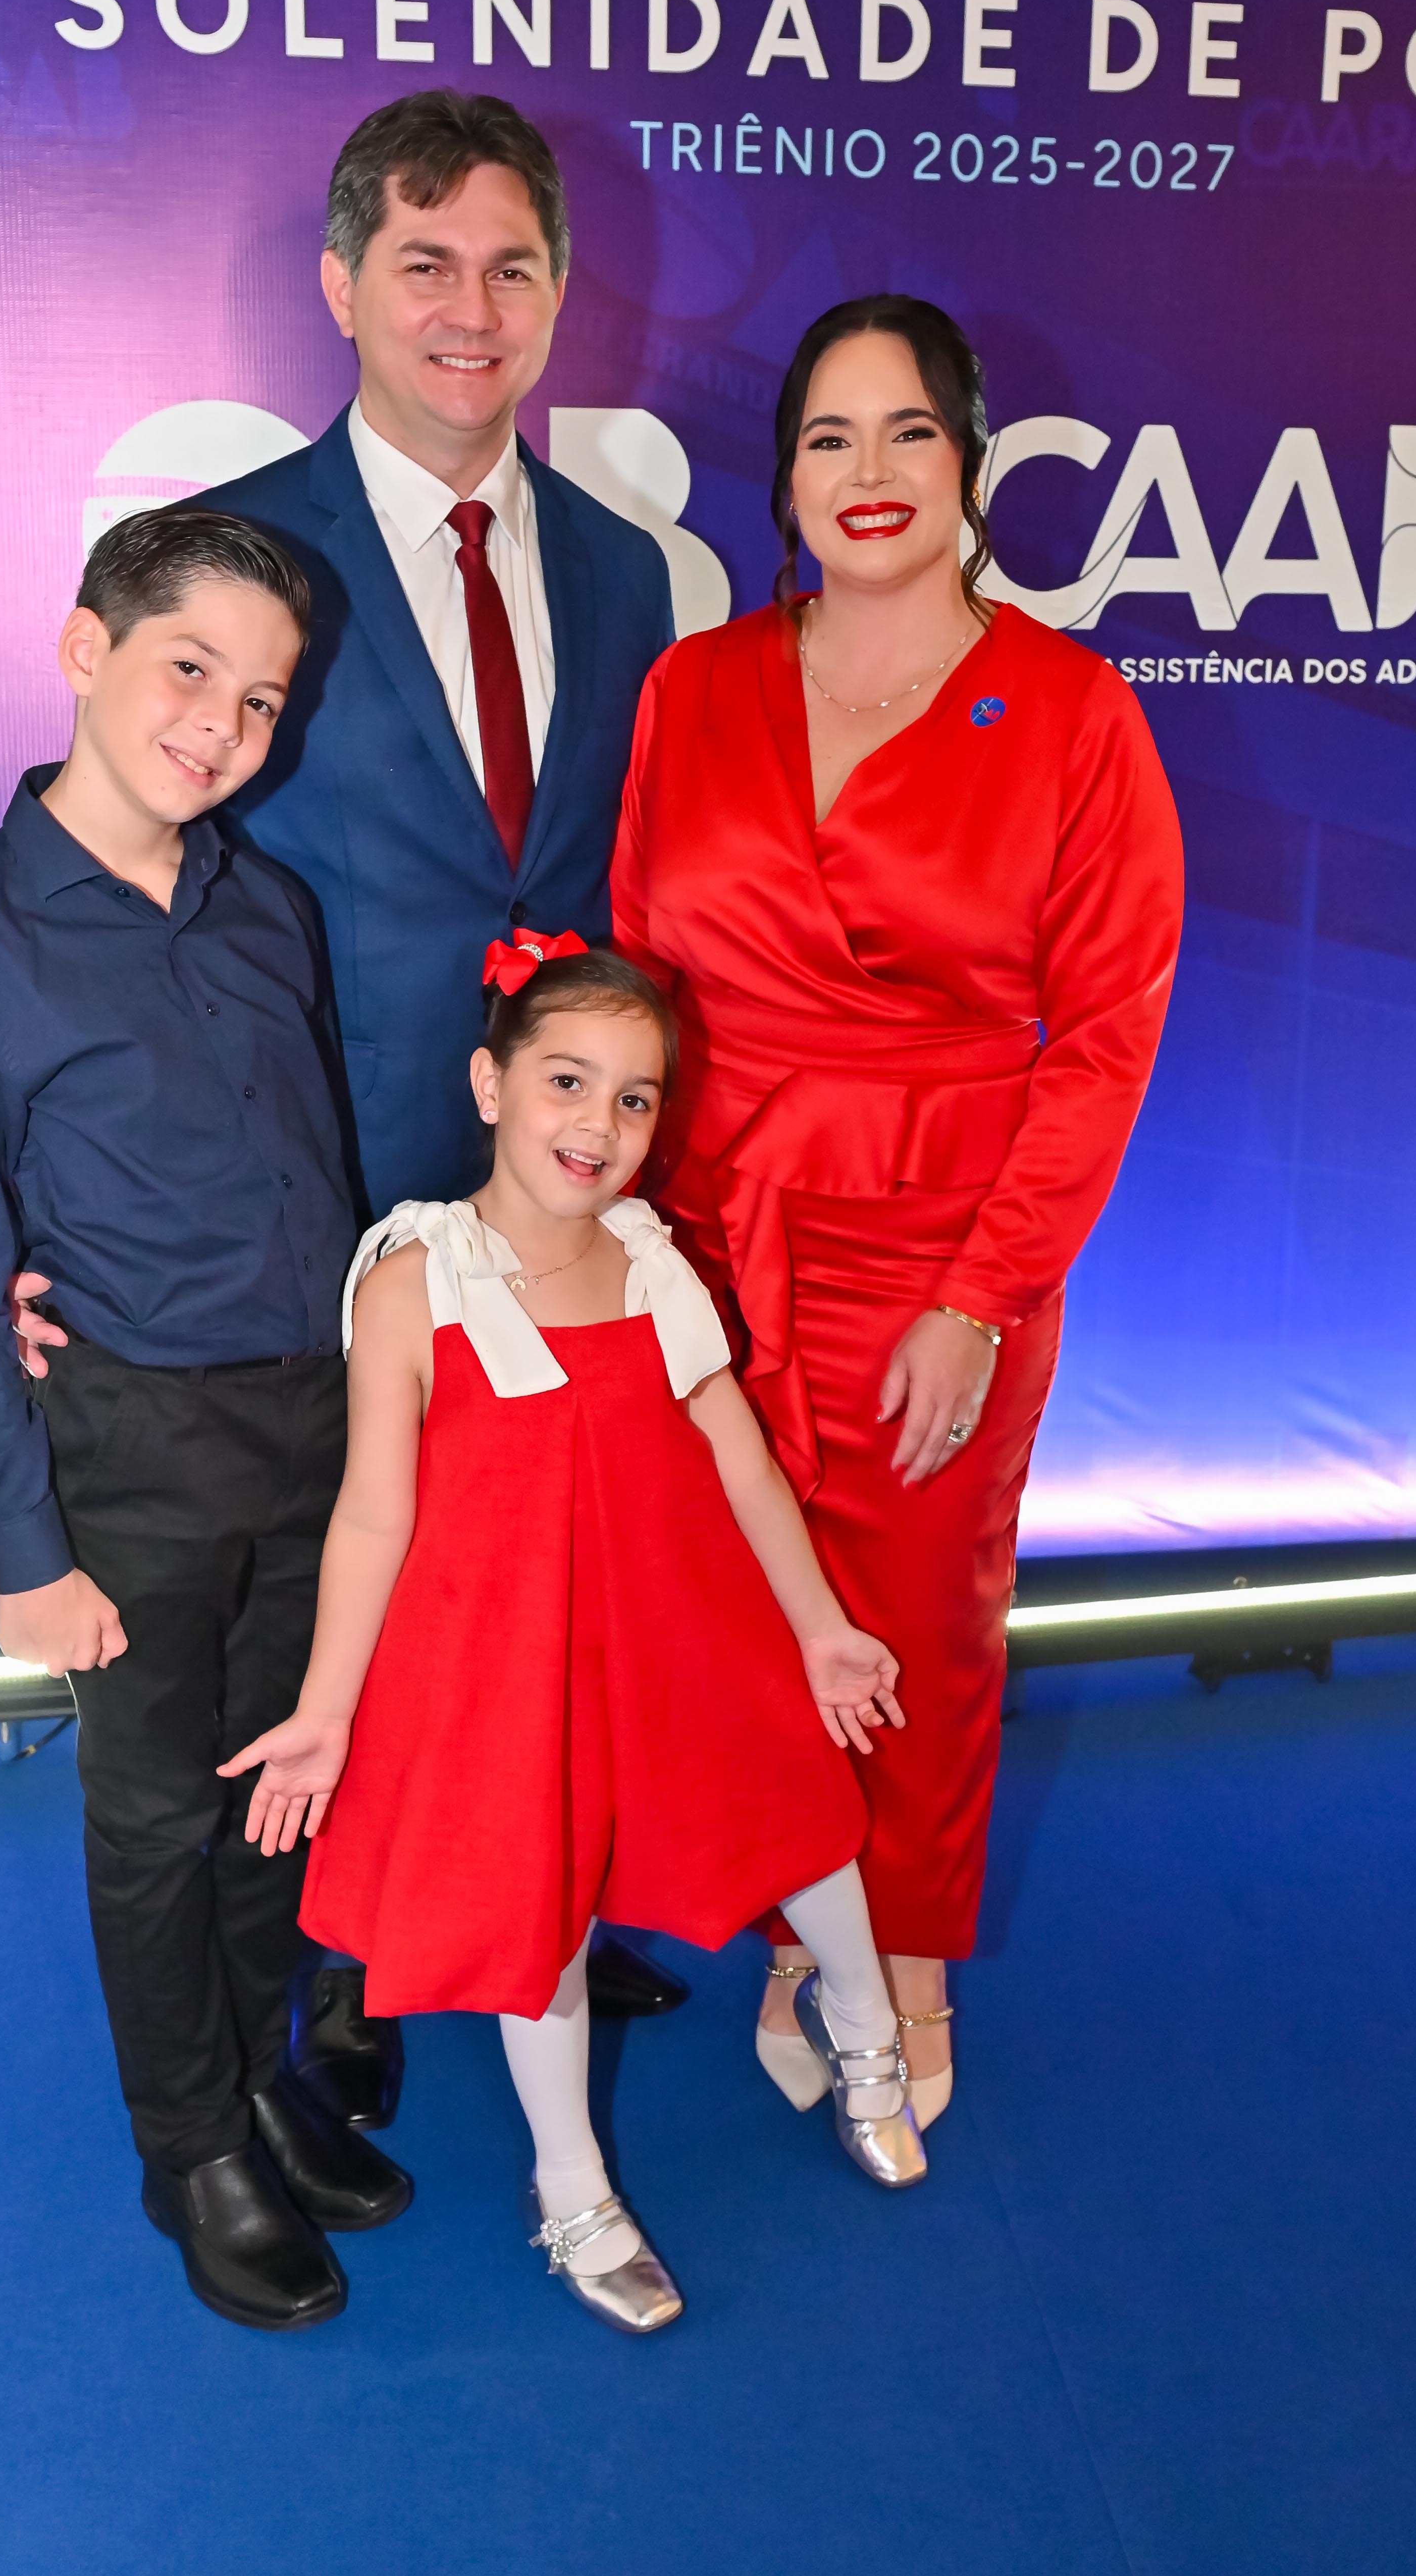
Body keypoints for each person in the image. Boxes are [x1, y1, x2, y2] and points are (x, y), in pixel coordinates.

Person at [14, 89, 685, 2104]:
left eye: (510, 266)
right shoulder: (244, 554)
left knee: (536, 1562)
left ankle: (534, 1875)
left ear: (560, 292)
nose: (469, 308)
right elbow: (106, 882)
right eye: (423, 262)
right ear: (339, 286)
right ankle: (353, 1959)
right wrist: (44, 1207)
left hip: (546, 1180)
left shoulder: (626, 571)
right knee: (343, 1574)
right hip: (313, 1191)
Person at [610, 294, 1185, 2128]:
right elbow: (637, 971)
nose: (869, 472)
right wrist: (609, 1230)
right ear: (784, 476)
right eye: (829, 438)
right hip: (714, 1236)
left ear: (969, 461)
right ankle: (806, 1921)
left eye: (909, 431)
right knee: (746, 1609)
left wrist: (983, 1294)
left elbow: (1104, 1041)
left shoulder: (1075, 712)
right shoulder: (694, 687)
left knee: (921, 1623)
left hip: (943, 1249)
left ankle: (907, 1952)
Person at [219, 937, 926, 2334]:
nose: (598, 1124)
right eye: (566, 1081)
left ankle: (870, 2034)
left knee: (802, 1821)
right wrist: (328, 1707)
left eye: (635, 1098)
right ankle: (572, 2186)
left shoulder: (654, 1261)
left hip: (672, 1624)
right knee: (532, 1901)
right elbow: (372, 1511)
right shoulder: (414, 1278)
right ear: (490, 1085)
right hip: (503, 1653)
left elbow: (737, 1457)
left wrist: (822, 1629)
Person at [0, 509, 411, 2332]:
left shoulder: (272, 907)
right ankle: (188, 2142)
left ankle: (261, 2078)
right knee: (155, 1817)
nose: (222, 725)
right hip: (134, 1456)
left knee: (282, 1784)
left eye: (263, 699)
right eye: (192, 669)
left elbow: (318, 1174)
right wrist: (23, 1550)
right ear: (85, 649)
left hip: (313, 1429)